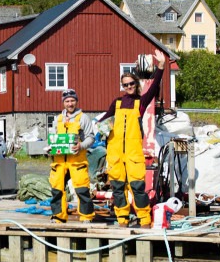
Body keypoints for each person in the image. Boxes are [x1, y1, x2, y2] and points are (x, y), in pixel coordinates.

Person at [98, 50, 168, 227]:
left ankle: (144, 218)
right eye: (125, 84)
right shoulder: (117, 103)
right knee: (118, 188)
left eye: (130, 84)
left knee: (138, 188)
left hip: (133, 153)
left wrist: (160, 67)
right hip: (115, 155)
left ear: (136, 84)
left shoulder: (141, 102)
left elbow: (153, 89)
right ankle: (122, 219)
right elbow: (103, 121)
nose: (128, 87)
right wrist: (97, 128)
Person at [48, 88, 96, 223]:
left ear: (76, 101)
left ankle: (86, 217)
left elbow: (91, 138)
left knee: (82, 189)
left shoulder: (83, 118)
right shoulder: (58, 119)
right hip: (59, 161)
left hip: (77, 160)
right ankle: (58, 217)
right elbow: (54, 138)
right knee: (56, 189)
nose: (70, 104)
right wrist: (50, 148)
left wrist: (81, 146)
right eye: (67, 101)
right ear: (63, 103)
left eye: (72, 101)